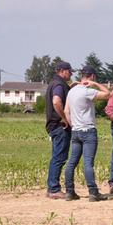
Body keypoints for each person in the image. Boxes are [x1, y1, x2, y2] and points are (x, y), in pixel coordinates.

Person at [63, 66, 110, 201]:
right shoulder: (87, 91)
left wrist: (73, 125)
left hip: (76, 131)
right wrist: (95, 85)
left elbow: (66, 111)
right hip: (88, 130)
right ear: (92, 76)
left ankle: (69, 191)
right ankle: (93, 192)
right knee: (88, 163)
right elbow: (108, 94)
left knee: (72, 161)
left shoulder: (71, 92)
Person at [45, 61, 72, 199]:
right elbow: (56, 101)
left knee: (57, 157)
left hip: (54, 126)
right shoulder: (59, 85)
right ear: (62, 71)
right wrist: (64, 118)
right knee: (59, 157)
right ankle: (54, 189)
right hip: (60, 126)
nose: (71, 73)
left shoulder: (55, 83)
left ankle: (51, 187)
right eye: (69, 71)